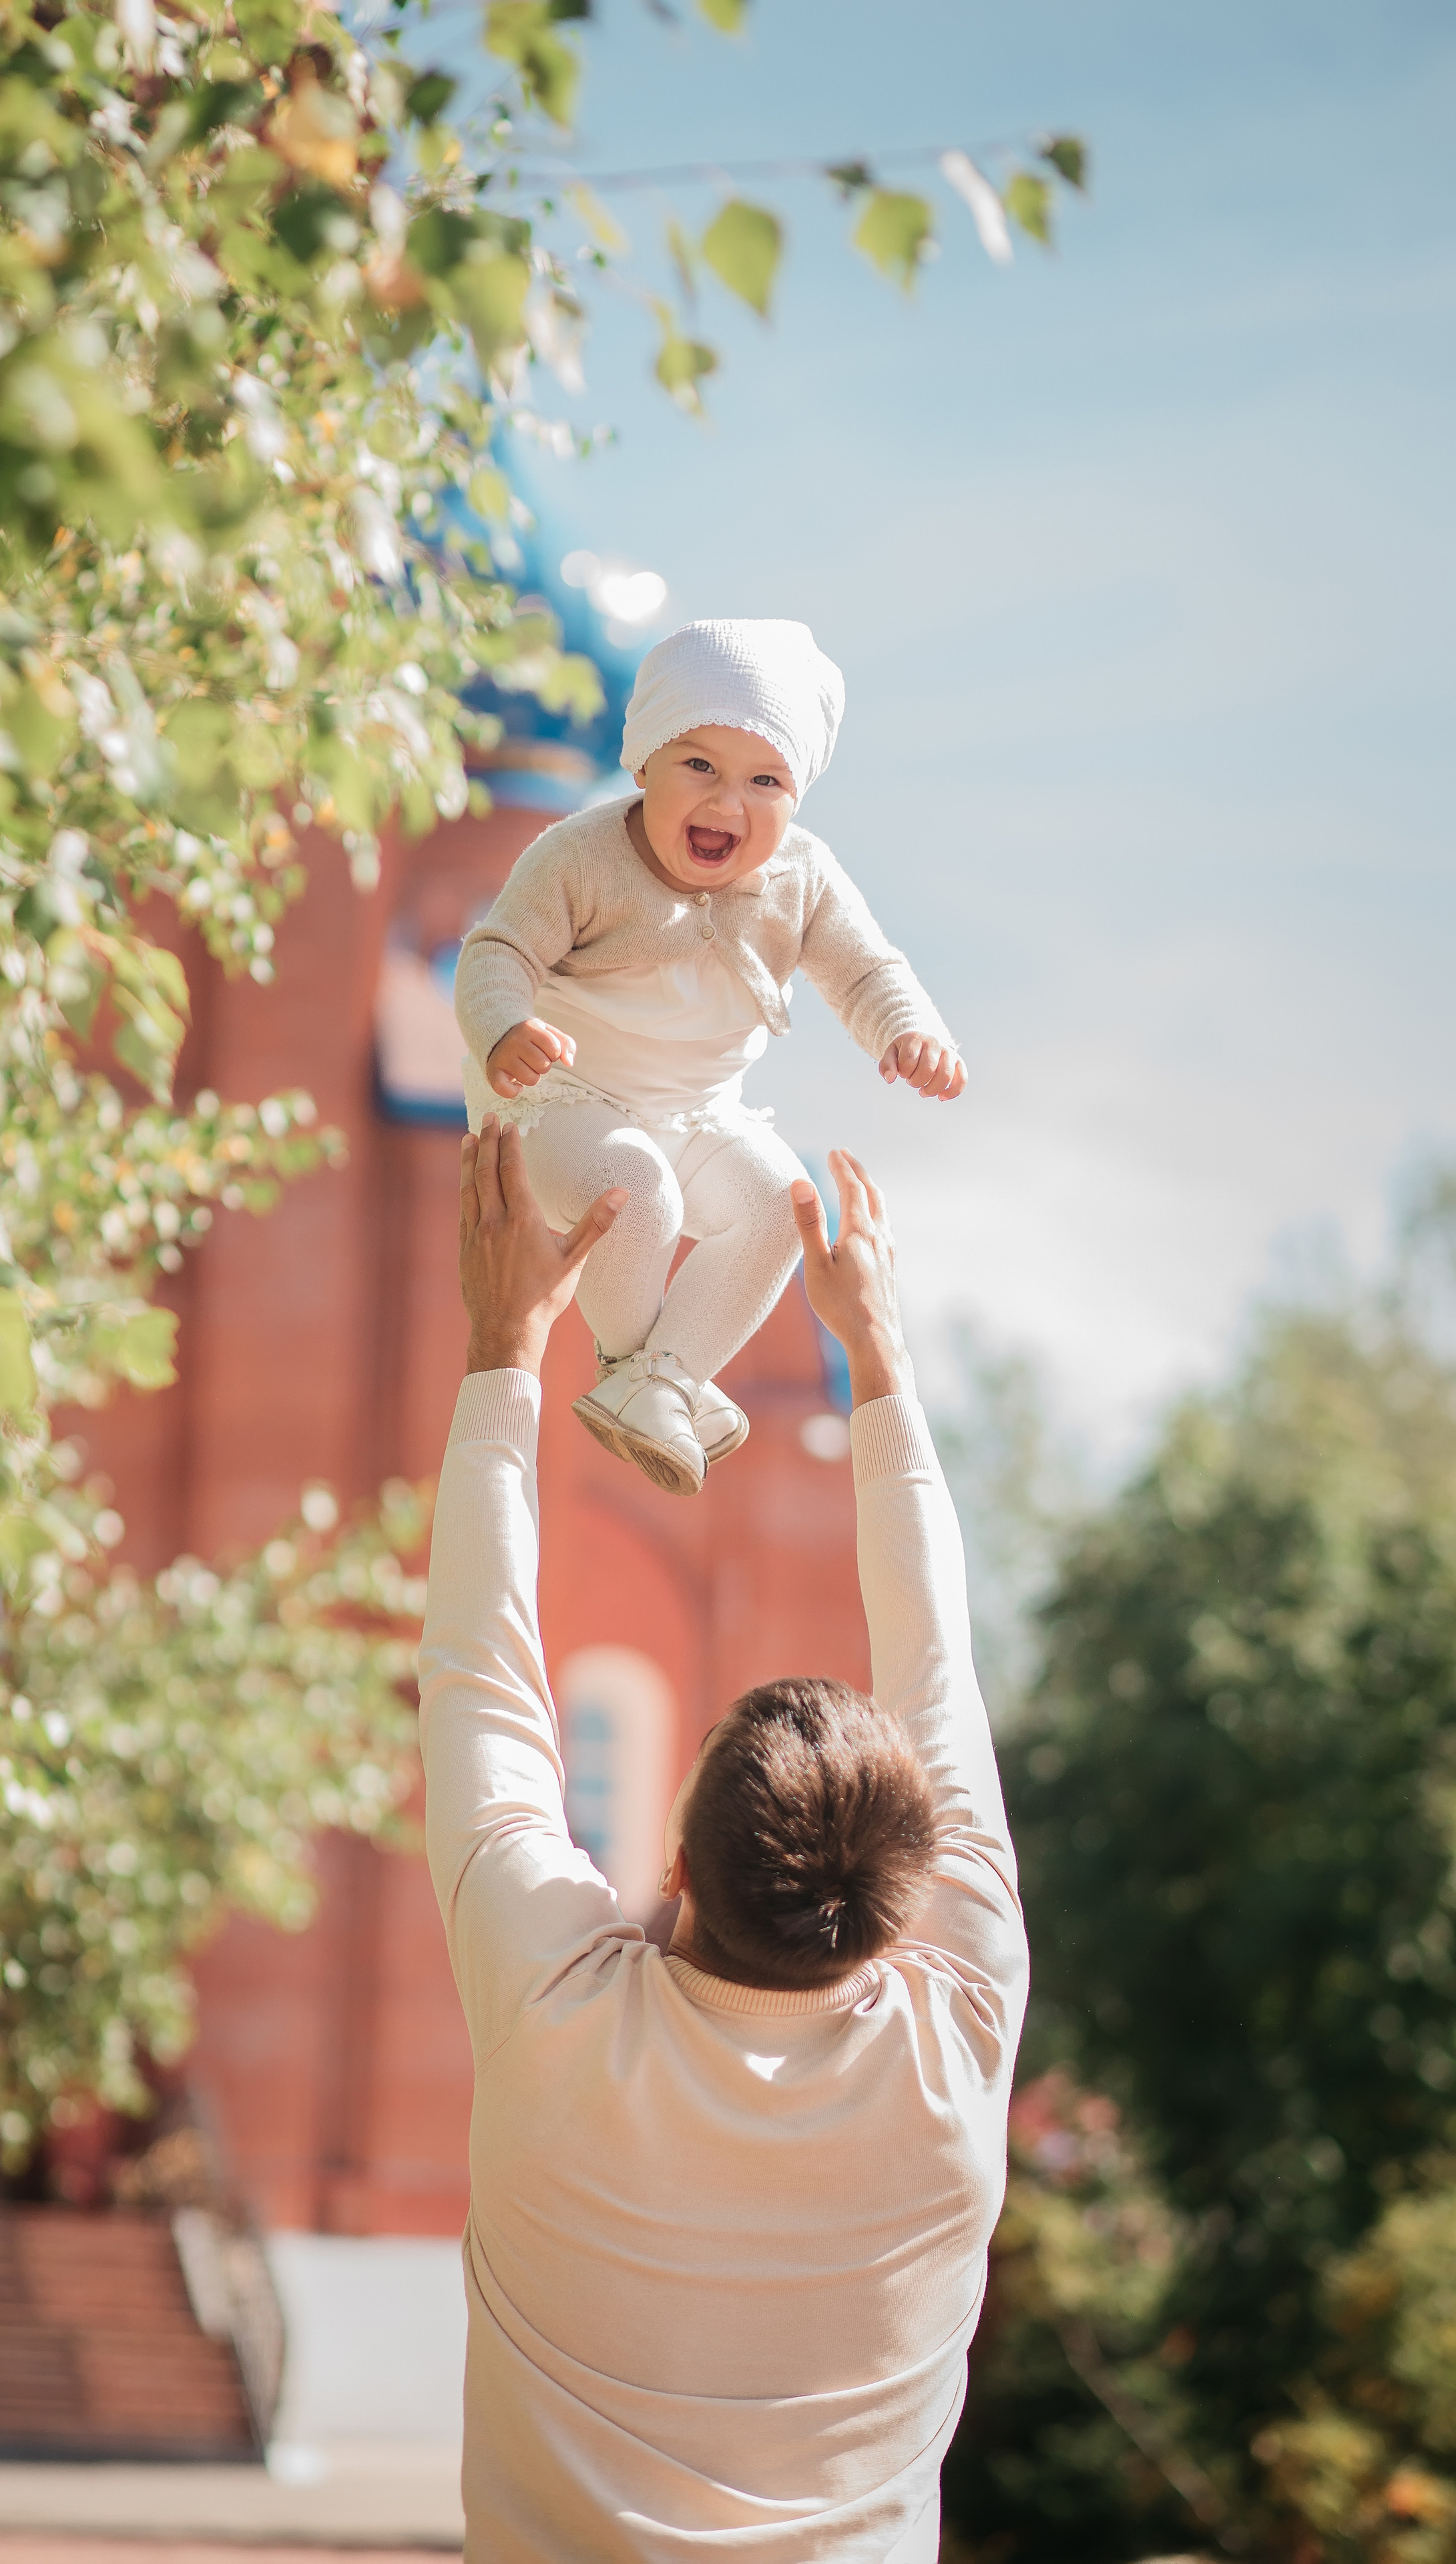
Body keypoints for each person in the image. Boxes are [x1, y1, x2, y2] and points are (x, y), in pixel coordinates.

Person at [417, 1114, 1028, 2564]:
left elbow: (483, 1675)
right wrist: (508, 1346)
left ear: (678, 1867)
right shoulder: (957, 2036)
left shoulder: (566, 2014)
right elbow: (478, 1682)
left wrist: (514, 1342)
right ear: (908, 1905)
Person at [451, 618, 965, 1498]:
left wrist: (910, 1031)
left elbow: (864, 967)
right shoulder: (582, 856)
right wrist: (505, 1031)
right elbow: (495, 953)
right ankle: (639, 1373)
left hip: (698, 1108)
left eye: (764, 781)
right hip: (558, 1091)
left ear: (796, 797)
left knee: (783, 1206)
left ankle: (665, 1384)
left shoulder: (804, 877)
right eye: (700, 767)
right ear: (643, 764)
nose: (729, 802)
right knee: (639, 1190)